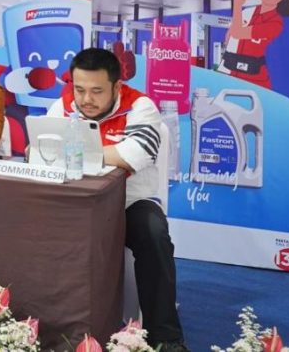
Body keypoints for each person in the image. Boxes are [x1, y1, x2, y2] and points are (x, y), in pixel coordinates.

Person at [48, 48, 187, 351]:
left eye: (97, 91)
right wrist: (106, 153)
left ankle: (166, 337)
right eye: (80, 89)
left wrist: (72, 151)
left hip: (129, 204)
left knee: (155, 235)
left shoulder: (140, 106)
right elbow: (44, 151)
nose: (86, 99)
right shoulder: (62, 105)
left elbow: (135, 154)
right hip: (74, 204)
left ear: (116, 86)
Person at [220, 0, 289, 89]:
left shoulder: (276, 23)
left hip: (255, 79)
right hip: (230, 71)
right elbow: (229, 36)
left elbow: (237, 33)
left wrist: (237, 5)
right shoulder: (248, 11)